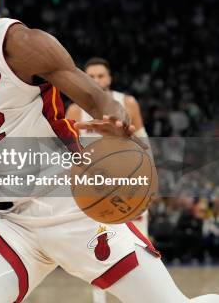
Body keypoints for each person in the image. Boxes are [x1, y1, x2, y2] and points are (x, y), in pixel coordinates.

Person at [0, 0, 219, 303]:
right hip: (8, 222)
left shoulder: (19, 43)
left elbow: (102, 102)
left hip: (73, 206)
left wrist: (117, 124)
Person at [66, 57, 151, 303]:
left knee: (139, 245)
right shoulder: (74, 110)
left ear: (109, 78)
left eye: (100, 76)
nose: (96, 80)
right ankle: (99, 301)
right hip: (94, 189)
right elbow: (70, 154)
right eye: (90, 76)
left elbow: (145, 146)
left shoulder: (127, 103)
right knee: (99, 248)